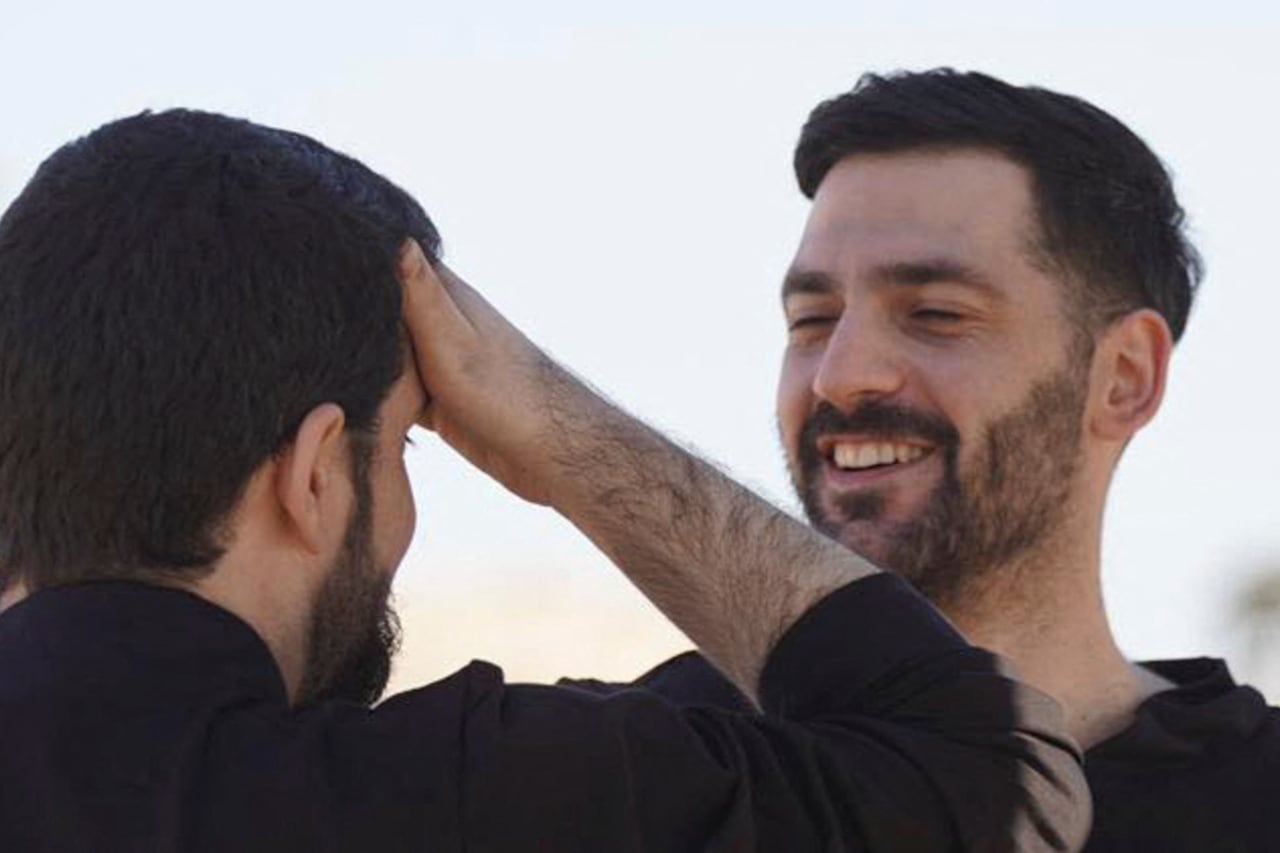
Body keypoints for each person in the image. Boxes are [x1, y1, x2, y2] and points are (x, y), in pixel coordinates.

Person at [0, 110, 1088, 851]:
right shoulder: (454, 797)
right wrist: (558, 430)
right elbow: (999, 781)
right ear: (315, 472)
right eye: (405, 447)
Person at [574, 70, 1280, 850]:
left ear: (1123, 378)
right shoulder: (653, 764)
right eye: (812, 319)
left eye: (936, 314)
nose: (841, 374)